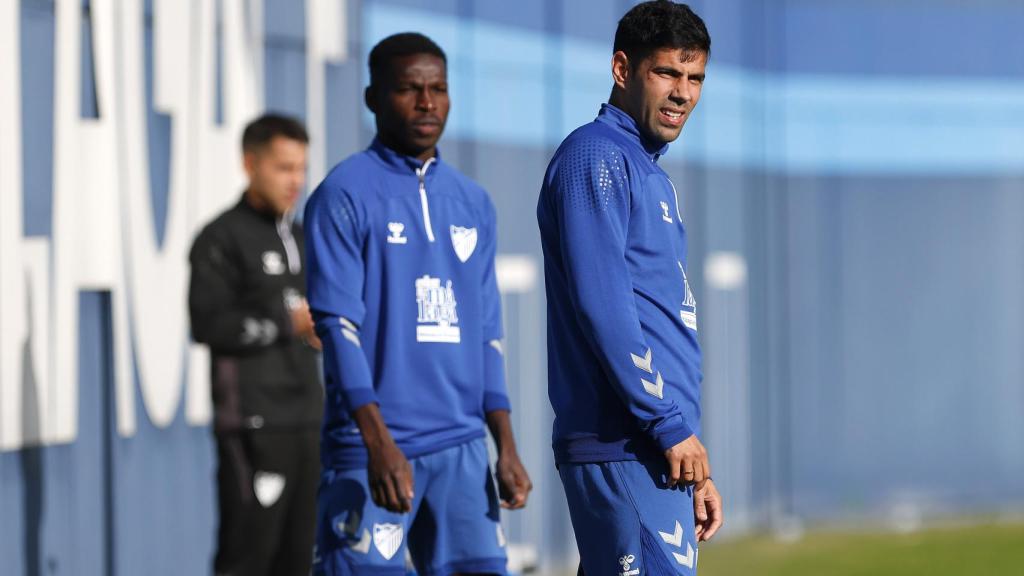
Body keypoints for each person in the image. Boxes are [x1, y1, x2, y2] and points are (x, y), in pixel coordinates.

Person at [304, 32, 532, 575]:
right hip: (373, 453)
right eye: (409, 89)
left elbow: (487, 335)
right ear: (373, 98)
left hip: (462, 448)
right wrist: (377, 443)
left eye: (438, 89)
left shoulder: (473, 202)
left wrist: (505, 444)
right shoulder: (343, 195)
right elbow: (338, 329)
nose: (427, 103)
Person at [536, 2, 723, 574]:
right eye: (667, 73)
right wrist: (668, 425)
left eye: (695, 79)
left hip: (653, 448)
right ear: (623, 69)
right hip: (624, 442)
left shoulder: (648, 172)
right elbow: (605, 308)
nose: (683, 94)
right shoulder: (595, 156)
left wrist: (690, 456)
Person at [189, 113, 323, 576]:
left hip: (308, 423)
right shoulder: (221, 238)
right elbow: (208, 324)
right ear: (251, 164)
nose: (296, 181)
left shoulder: (303, 236)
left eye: (302, 168)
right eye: (284, 168)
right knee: (247, 557)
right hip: (253, 427)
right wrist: (284, 323)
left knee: (299, 560)